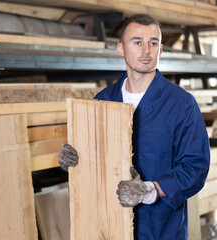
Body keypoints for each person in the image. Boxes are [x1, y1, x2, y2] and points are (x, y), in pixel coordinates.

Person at [59, 14, 210, 240]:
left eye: (153, 43)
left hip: (160, 228)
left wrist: (150, 191)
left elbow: (195, 168)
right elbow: (93, 159)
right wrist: (72, 161)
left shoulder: (181, 104)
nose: (146, 50)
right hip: (108, 224)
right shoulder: (102, 100)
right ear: (121, 49)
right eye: (137, 42)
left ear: (160, 49)